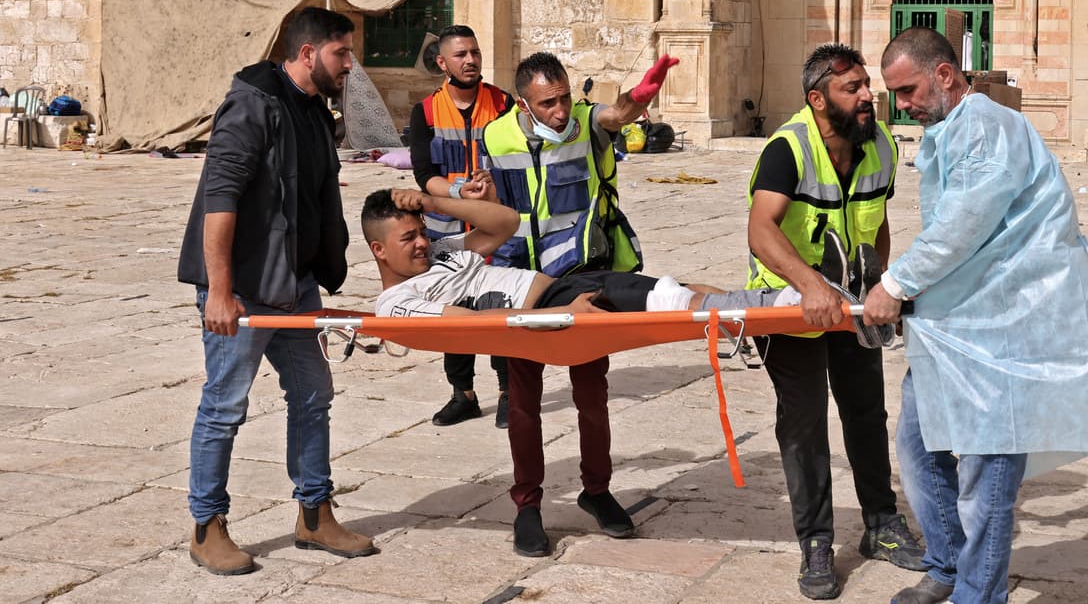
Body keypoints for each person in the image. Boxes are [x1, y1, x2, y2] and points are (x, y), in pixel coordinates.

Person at [360, 186, 874, 561]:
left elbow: (503, 222)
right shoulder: (400, 301)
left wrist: (431, 205)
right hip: (535, 323)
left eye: (423, 234)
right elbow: (474, 324)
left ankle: (597, 490)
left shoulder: (445, 256)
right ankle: (528, 507)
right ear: (378, 250)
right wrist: (563, 318)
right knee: (658, 310)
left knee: (666, 301)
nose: (423, 243)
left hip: (564, 290)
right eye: (409, 239)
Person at [866, 26, 1088, 604]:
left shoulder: (989, 128)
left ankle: (977, 593)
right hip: (954, 325)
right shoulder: (951, 131)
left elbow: (965, 223)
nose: (904, 106)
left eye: (910, 90)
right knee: (920, 447)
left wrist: (894, 283)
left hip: (1003, 331)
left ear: (945, 74)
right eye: (896, 95)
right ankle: (945, 563)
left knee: (986, 469)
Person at [177, 7, 377, 575]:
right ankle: (206, 525)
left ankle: (314, 514)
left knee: (314, 395)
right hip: (244, 291)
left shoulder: (315, 110)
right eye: (342, 54)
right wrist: (219, 291)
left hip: (296, 287)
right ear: (309, 53)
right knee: (225, 406)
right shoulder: (252, 105)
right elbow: (221, 198)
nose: (350, 66)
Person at [746, 43, 925, 600]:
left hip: (853, 306)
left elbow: (879, 220)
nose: (868, 96)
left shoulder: (880, 148)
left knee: (867, 413)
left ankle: (881, 525)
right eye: (854, 89)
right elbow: (761, 230)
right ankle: (816, 542)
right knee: (803, 427)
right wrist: (808, 284)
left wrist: (884, 287)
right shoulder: (787, 148)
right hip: (791, 307)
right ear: (817, 99)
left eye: (867, 85)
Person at [479, 51, 678, 554]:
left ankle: (597, 491)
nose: (561, 111)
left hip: (584, 278)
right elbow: (491, 210)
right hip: (525, 284)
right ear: (524, 103)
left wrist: (645, 91)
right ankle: (527, 505)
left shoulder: (586, 124)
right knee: (524, 404)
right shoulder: (495, 136)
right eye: (548, 103)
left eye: (565, 98)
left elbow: (619, 113)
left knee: (592, 395)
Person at [408, 24, 516, 429]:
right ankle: (463, 394)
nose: (470, 61)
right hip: (447, 230)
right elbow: (424, 173)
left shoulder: (504, 104)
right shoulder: (426, 112)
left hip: (495, 227)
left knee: (499, 306)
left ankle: (509, 391)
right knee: (453, 314)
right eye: (460, 55)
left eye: (474, 53)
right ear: (442, 62)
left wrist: (491, 191)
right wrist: (457, 191)